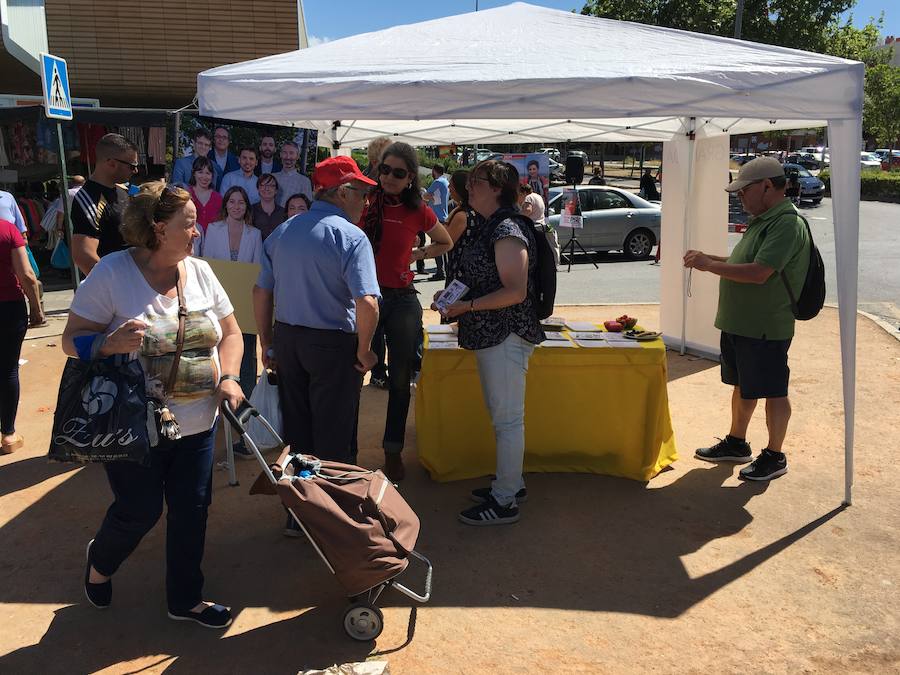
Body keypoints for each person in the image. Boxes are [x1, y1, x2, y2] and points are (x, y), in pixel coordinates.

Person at [61, 181, 244, 628]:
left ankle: (185, 599)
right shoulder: (111, 274)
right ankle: (100, 562)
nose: (197, 231)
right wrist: (107, 342)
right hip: (132, 423)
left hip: (198, 422)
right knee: (138, 510)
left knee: (192, 510)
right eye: (189, 224)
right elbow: (70, 340)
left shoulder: (201, 272)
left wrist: (229, 376)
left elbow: (233, 333)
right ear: (159, 229)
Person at [253, 156, 380, 536]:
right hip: (333, 345)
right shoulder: (351, 237)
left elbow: (261, 290)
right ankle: (334, 519)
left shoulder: (283, 231)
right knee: (335, 435)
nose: (366, 202)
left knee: (299, 431)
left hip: (289, 340)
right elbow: (367, 302)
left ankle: (299, 514)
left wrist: (268, 344)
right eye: (361, 194)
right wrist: (366, 350)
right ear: (342, 193)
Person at [684, 157, 810, 482]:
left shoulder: (786, 223)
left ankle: (775, 454)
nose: (739, 198)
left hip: (765, 326)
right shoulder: (765, 219)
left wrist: (709, 266)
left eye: (743, 192)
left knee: (773, 390)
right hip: (743, 324)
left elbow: (759, 272)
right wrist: (711, 258)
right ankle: (737, 443)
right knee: (744, 386)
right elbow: (745, 261)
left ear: (767, 186)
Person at [436, 160, 544, 526]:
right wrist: (453, 296)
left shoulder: (508, 228)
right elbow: (478, 276)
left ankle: (505, 501)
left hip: (506, 334)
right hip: (491, 333)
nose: (470, 187)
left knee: (508, 419)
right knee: (504, 417)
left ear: (497, 187)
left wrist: (464, 306)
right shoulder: (488, 225)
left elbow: (515, 291)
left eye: (478, 181)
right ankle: (510, 484)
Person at [362, 142, 453, 481]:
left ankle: (392, 450)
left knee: (400, 380)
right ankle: (345, 453)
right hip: (364, 298)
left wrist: (417, 255)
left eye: (398, 173)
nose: (388, 177)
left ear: (411, 177)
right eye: (384, 169)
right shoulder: (366, 201)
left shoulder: (418, 210)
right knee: (355, 372)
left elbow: (446, 242)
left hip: (400, 299)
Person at [201, 186, 263, 445]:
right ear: (225, 204)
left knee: (247, 358)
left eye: (241, 203)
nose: (236, 206)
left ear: (247, 207)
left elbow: (257, 268)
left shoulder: (255, 233)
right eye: (232, 201)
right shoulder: (211, 230)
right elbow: (206, 265)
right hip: (217, 307)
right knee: (214, 357)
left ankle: (242, 415)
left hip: (244, 307)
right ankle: (212, 417)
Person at [0, 218, 44, 454]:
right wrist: (36, 308)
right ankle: (8, 435)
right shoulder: (7, 229)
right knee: (7, 370)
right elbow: (26, 274)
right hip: (8, 307)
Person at [71, 134, 139, 276]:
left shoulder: (123, 190)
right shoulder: (88, 199)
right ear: (111, 163)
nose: (135, 171)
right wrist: (118, 286)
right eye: (132, 166)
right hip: (119, 287)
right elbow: (83, 255)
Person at [518, 182, 559, 266]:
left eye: (520, 194)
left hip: (534, 225)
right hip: (544, 224)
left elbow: (528, 210)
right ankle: (555, 263)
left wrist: (518, 215)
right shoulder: (538, 196)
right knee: (551, 244)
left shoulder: (528, 197)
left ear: (524, 192)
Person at [423, 164, 450, 281]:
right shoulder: (445, 182)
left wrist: (426, 196)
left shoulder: (437, 182)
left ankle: (440, 271)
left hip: (437, 217)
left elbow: (425, 195)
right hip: (444, 216)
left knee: (437, 246)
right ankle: (443, 270)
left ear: (434, 170)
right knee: (443, 246)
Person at [187, 157, 222, 232]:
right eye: (200, 172)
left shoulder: (218, 198)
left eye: (208, 173)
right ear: (194, 173)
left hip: (213, 240)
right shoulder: (186, 194)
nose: (204, 177)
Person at [273, 141, 313, 207]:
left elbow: (307, 207)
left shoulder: (304, 181)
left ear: (297, 156)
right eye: (285, 153)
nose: (288, 157)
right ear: (280, 154)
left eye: (291, 153)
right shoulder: (273, 177)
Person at [250, 174, 286, 240]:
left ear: (276, 191)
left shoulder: (283, 212)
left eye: (271, 185)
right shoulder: (250, 211)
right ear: (258, 189)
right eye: (263, 185)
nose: (267, 188)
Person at [208, 126, 239, 191]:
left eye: (224, 137)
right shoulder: (206, 157)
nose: (221, 140)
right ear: (213, 140)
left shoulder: (236, 161)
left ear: (229, 141)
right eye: (218, 136)